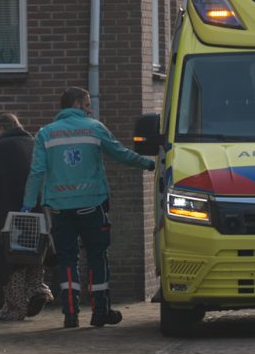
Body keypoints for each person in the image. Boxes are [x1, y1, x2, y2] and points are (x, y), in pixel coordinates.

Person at [21, 87, 155, 329]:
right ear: (76, 104)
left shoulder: (45, 134)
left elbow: (37, 171)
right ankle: (100, 312)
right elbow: (120, 153)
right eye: (87, 104)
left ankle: (70, 314)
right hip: (91, 206)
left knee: (67, 260)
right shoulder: (94, 128)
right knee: (97, 257)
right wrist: (149, 164)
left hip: (59, 209)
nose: (90, 110)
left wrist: (28, 204)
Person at [0, 113, 53, 321]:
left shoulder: (2, 147)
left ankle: (15, 307)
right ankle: (37, 289)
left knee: (10, 258)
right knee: (33, 253)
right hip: (36, 210)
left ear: (3, 128)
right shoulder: (32, 143)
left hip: (9, 212)